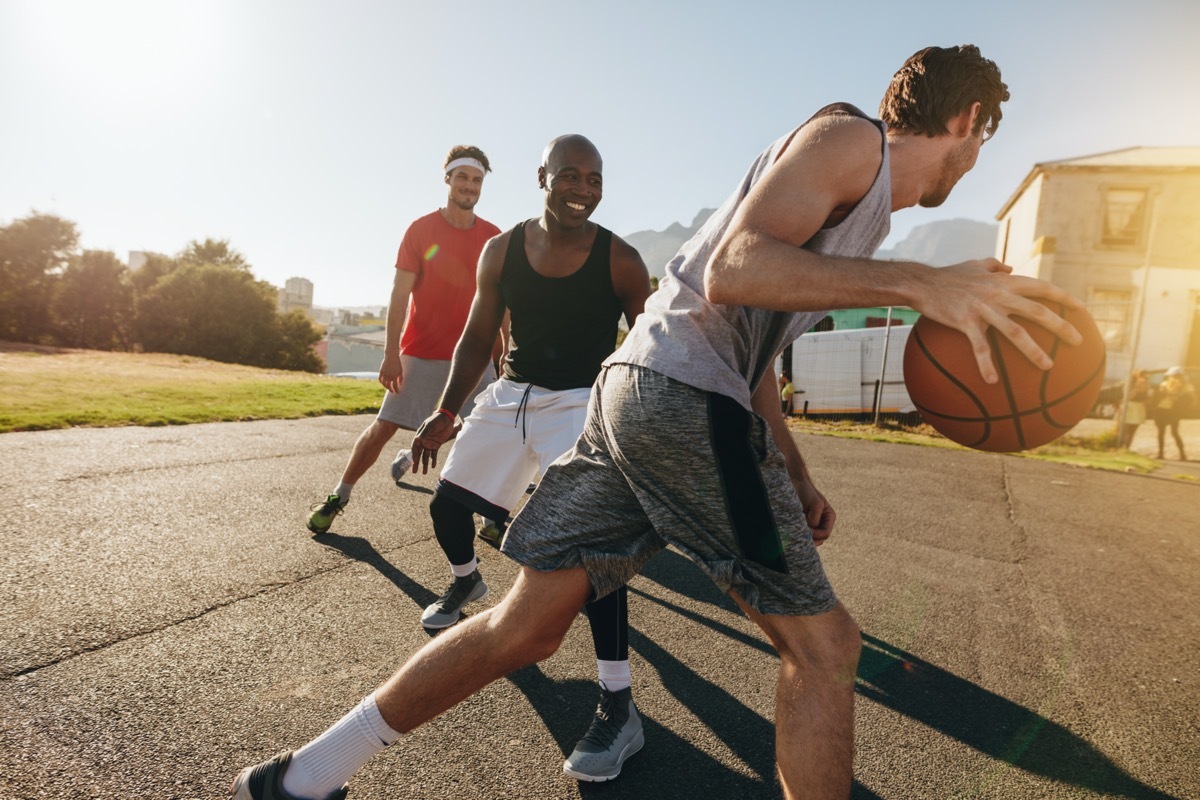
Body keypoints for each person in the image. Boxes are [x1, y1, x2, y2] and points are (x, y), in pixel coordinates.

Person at [232, 45, 1086, 800]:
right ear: (968, 119)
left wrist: (792, 467)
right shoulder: (853, 139)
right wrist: (923, 283)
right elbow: (735, 269)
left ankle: (301, 777)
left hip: (642, 395)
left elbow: (747, 341)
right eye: (983, 141)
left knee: (525, 628)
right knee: (826, 649)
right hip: (682, 403)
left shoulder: (862, 213)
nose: (975, 159)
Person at [408, 134, 652, 780]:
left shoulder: (621, 261)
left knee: (593, 549)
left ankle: (619, 702)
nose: (582, 190)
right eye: (570, 176)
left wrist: (637, 420)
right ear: (543, 176)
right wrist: (447, 410)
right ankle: (467, 579)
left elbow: (651, 348)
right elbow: (477, 335)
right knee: (447, 508)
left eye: (594, 180)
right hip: (512, 394)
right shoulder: (502, 250)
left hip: (579, 402)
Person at [305, 146, 501, 535]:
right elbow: (399, 295)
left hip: (474, 354)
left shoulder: (494, 238)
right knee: (384, 427)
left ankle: (488, 513)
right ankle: (338, 497)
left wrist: (505, 352)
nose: (469, 186)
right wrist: (391, 353)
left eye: (477, 180)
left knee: (487, 429)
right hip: (422, 351)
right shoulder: (421, 230)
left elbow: (500, 303)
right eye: (463, 177)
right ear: (448, 179)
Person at [1150, 366, 1194, 460]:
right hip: (1162, 410)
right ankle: (1162, 453)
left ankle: (1181, 454)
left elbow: (1189, 398)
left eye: (1176, 376)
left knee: (1173, 432)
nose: (1174, 378)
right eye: (1174, 376)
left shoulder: (1186, 386)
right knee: (1164, 432)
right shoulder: (1165, 384)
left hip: (1173, 411)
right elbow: (1160, 395)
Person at [1120, 369, 1149, 449]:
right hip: (1130, 406)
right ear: (1136, 375)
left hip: (1139, 407)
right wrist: (1137, 387)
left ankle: (1127, 448)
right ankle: (1121, 447)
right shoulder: (1130, 383)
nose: (1144, 378)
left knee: (1133, 430)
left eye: (1146, 376)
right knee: (1126, 429)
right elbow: (1129, 397)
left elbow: (1147, 399)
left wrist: (1145, 388)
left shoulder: (1145, 384)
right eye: (1141, 375)